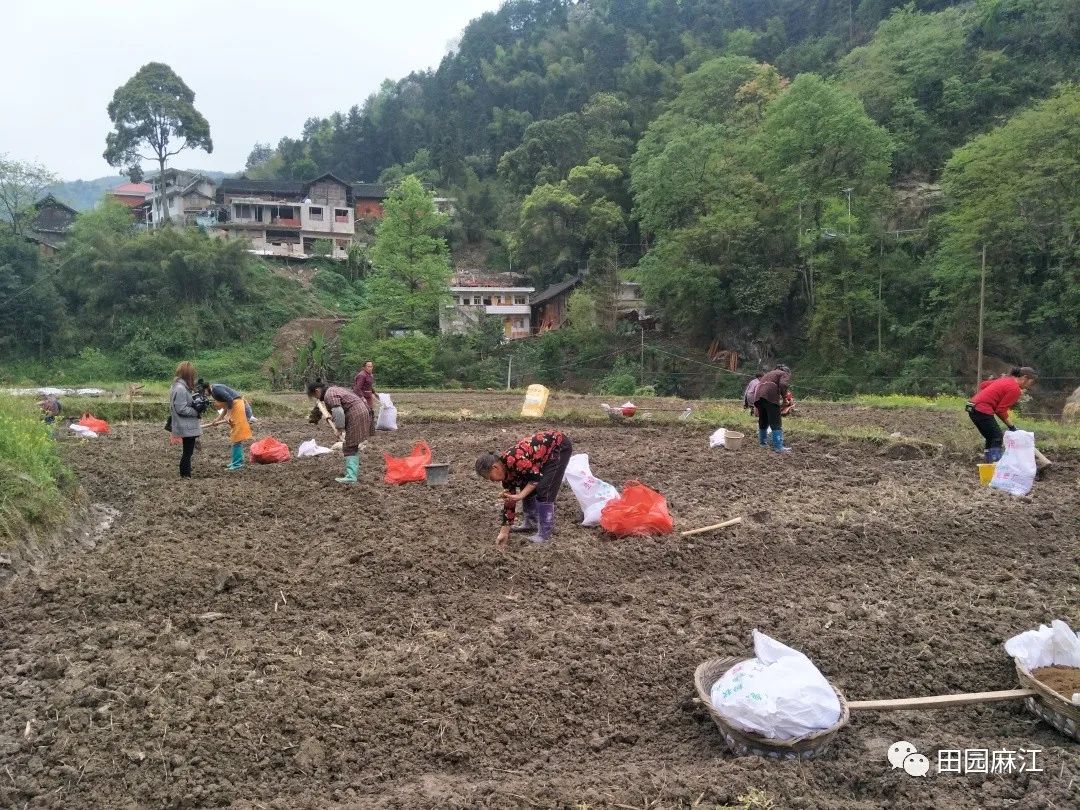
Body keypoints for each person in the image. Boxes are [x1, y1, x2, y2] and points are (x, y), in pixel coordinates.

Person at [475, 430, 572, 548]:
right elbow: (509, 502)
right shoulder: (506, 477)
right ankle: (531, 523)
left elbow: (536, 478)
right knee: (526, 485)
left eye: (490, 477)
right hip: (542, 455)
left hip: (558, 446)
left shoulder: (514, 460)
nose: (492, 481)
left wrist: (520, 495)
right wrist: (504, 532)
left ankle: (545, 533)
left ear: (495, 467)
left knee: (544, 489)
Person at [966, 366, 1038, 463]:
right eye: (1031, 382)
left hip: (971, 406)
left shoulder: (1006, 379)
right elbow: (1000, 410)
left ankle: (989, 463)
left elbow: (983, 385)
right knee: (997, 437)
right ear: (1025, 378)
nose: (1031, 386)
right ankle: (994, 464)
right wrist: (1012, 427)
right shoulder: (1015, 389)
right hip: (981, 408)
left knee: (991, 437)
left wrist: (990, 394)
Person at [306, 379, 371, 483]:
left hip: (356, 414)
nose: (316, 398)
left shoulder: (329, 395)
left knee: (349, 446)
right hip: (361, 411)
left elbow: (338, 411)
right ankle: (351, 475)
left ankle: (351, 477)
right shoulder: (333, 390)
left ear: (317, 391)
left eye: (315, 395)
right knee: (351, 444)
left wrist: (339, 429)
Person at [200, 380, 253, 471]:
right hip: (235, 406)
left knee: (237, 437)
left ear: (207, 387)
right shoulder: (214, 392)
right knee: (235, 436)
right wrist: (218, 419)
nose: (204, 393)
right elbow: (226, 406)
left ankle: (237, 464)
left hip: (238, 406)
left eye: (204, 391)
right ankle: (235, 462)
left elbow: (230, 400)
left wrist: (228, 415)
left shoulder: (215, 390)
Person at [170, 362, 205, 478]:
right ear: (187, 374)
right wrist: (196, 411)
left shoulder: (179, 386)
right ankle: (185, 475)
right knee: (187, 452)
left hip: (187, 425)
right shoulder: (180, 388)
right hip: (186, 426)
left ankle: (186, 473)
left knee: (188, 452)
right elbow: (181, 408)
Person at [755, 364, 792, 453]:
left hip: (758, 396)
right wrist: (784, 398)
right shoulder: (783, 373)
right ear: (786, 371)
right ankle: (778, 447)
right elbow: (783, 384)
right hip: (770, 396)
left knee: (763, 420)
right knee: (776, 421)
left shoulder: (769, 374)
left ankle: (763, 443)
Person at [353, 361, 377, 427]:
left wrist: (374, 392)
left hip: (368, 396)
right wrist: (362, 397)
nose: (370, 368)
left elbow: (370, 385)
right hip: (362, 396)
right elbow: (357, 388)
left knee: (370, 411)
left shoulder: (370, 375)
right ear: (364, 367)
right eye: (368, 366)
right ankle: (362, 427)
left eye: (371, 366)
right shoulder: (362, 375)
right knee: (365, 412)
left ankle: (370, 427)